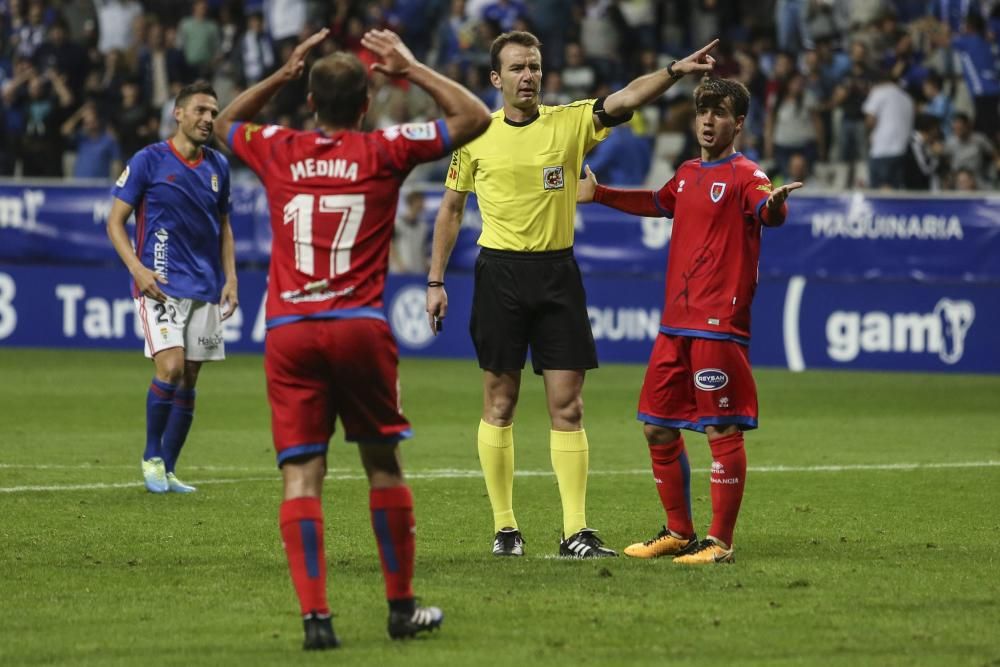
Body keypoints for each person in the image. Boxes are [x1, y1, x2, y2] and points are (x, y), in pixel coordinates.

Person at [211, 29, 490, 649]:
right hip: (359, 328)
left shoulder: (279, 146)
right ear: (365, 105)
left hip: (289, 330)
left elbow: (224, 121)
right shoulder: (383, 149)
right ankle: (400, 609)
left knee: (302, 476)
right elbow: (473, 116)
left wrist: (281, 74)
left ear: (310, 102)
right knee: (382, 466)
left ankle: (316, 621)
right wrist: (411, 67)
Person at [425, 30, 718, 559]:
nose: (528, 76)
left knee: (569, 405)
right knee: (500, 401)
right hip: (499, 275)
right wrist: (435, 280)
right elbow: (450, 210)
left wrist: (673, 72)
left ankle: (576, 532)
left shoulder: (570, 122)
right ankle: (505, 528)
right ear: (496, 79)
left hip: (557, 273)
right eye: (517, 68)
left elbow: (624, 98)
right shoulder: (475, 135)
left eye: (534, 66)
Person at [577, 76, 802, 564]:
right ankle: (678, 532)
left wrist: (776, 207)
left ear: (738, 122)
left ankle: (719, 542)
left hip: (716, 325)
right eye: (703, 110)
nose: (707, 120)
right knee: (657, 426)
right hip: (674, 325)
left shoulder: (747, 174)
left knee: (721, 429)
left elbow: (766, 209)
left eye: (719, 112)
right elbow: (657, 203)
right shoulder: (686, 173)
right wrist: (599, 194)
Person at [107, 80, 238, 495]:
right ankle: (151, 454)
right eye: (200, 110)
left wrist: (231, 277)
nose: (208, 119)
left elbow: (225, 227)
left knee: (191, 378)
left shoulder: (219, 166)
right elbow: (115, 222)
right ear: (178, 113)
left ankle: (170, 469)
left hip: (205, 286)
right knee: (171, 367)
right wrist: (137, 270)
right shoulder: (148, 160)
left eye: (214, 112)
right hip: (159, 285)